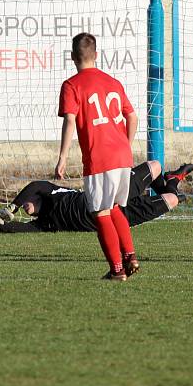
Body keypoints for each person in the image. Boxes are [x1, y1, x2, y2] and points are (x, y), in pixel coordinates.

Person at [54, 32, 138, 281]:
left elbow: (70, 120)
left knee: (100, 213)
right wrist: (126, 144)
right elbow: (132, 116)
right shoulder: (112, 81)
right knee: (112, 208)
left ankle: (116, 270)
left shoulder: (72, 85)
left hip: (99, 157)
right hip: (122, 155)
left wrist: (62, 157)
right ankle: (130, 256)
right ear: (97, 55)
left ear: (72, 57)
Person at [0, 162, 193, 234]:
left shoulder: (53, 191)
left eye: (27, 203)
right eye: (24, 210)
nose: (26, 208)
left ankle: (170, 178)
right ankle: (173, 182)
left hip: (107, 194)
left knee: (154, 166)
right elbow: (10, 229)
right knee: (172, 199)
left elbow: (34, 185)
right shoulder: (45, 224)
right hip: (115, 217)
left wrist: (12, 207)